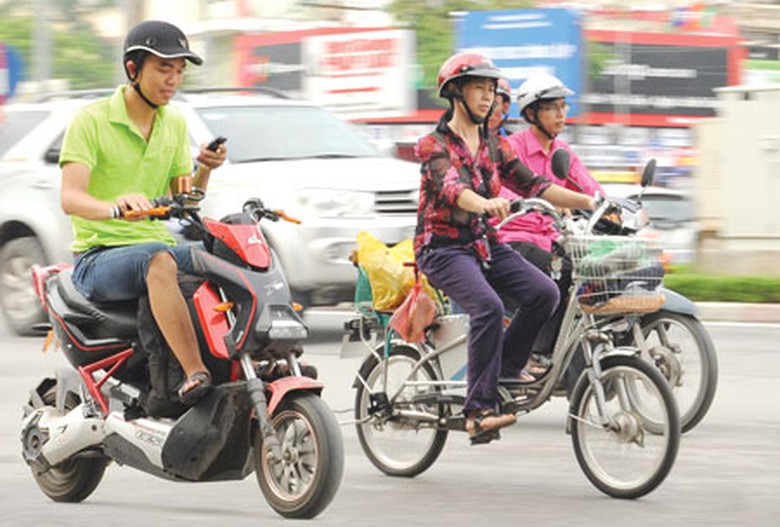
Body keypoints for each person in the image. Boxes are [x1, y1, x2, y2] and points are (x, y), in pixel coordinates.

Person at [413, 52, 595, 445]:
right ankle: (478, 411)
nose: (487, 97)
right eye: (479, 88)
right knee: (489, 308)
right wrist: (484, 204)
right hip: (442, 249)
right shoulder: (433, 144)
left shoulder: (495, 145)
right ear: (455, 93)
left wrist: (592, 201)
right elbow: (451, 188)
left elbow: (536, 185)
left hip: (483, 242)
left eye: (491, 89)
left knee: (543, 293)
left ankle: (506, 372)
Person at [59, 20, 227, 406]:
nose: (173, 80)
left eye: (179, 71)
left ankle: (257, 359)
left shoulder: (173, 122)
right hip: (98, 256)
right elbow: (70, 198)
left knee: (227, 250)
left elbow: (187, 201)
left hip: (156, 246)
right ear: (133, 70)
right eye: (163, 69)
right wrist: (115, 208)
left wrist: (206, 167)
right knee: (159, 261)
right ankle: (193, 372)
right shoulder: (92, 120)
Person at [501, 74, 605, 371]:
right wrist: (537, 205)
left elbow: (587, 185)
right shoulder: (514, 147)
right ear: (532, 113)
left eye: (563, 106)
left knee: (590, 269)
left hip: (551, 238)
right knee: (565, 274)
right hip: (515, 237)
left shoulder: (563, 152)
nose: (561, 114)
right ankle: (536, 352)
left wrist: (611, 208)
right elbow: (503, 188)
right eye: (552, 108)